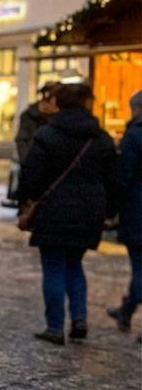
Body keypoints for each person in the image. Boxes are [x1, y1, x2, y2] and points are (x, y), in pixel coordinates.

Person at [19, 83, 120, 345]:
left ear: (59, 104)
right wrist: (110, 211)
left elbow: (30, 175)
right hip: (89, 211)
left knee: (53, 265)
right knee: (75, 264)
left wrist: (27, 199)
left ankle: (54, 327)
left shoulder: (47, 135)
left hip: (53, 209)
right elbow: (114, 179)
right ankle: (79, 319)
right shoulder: (101, 138)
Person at [108, 90, 142, 339]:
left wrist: (112, 210)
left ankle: (127, 309)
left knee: (140, 268)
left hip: (138, 211)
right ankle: (126, 310)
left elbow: (123, 177)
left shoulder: (134, 135)